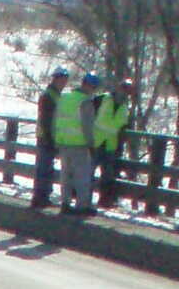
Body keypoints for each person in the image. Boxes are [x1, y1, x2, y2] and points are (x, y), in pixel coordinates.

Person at [55, 71, 97, 215]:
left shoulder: (65, 98)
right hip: (79, 144)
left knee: (66, 175)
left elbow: (56, 120)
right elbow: (87, 126)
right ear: (90, 87)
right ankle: (82, 206)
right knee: (82, 176)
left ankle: (65, 203)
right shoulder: (85, 102)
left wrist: (57, 139)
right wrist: (91, 143)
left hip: (63, 142)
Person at [93, 78, 133, 208]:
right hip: (96, 142)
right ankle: (81, 198)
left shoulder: (125, 108)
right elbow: (87, 113)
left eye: (128, 90)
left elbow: (123, 128)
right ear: (118, 88)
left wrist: (120, 146)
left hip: (110, 145)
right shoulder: (103, 98)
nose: (125, 92)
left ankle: (104, 201)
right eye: (124, 88)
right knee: (87, 171)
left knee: (108, 175)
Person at [31, 67, 68, 209]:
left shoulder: (56, 95)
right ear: (56, 79)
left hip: (52, 137)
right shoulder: (48, 96)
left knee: (47, 168)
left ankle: (43, 196)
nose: (64, 82)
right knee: (44, 168)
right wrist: (49, 138)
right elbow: (46, 120)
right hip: (46, 137)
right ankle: (40, 197)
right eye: (62, 79)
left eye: (65, 80)